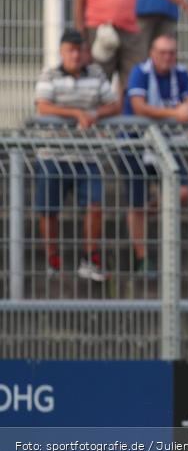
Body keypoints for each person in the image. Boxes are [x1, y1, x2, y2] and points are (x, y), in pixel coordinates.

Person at [34, 29, 121, 281]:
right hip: (53, 155)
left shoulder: (96, 74)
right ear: (61, 52)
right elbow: (42, 106)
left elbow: (114, 104)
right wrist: (76, 114)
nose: (75, 55)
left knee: (94, 206)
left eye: (79, 50)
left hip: (88, 157)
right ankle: (53, 263)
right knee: (48, 210)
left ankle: (89, 260)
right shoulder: (49, 74)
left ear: (85, 52)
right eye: (70, 50)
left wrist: (95, 115)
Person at [122, 35, 188, 272]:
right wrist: (175, 114)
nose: (167, 57)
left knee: (182, 192)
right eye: (163, 52)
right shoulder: (140, 72)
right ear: (152, 53)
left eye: (172, 52)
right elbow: (139, 106)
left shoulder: (181, 73)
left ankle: (148, 211)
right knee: (136, 202)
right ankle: (142, 257)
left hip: (167, 143)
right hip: (135, 143)